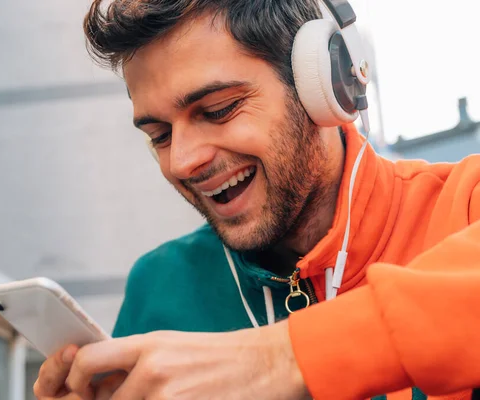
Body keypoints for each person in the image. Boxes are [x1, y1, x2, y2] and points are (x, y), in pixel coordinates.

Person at [34, 0, 480, 399]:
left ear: (321, 85)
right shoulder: (158, 286)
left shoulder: (463, 204)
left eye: (218, 110)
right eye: (160, 135)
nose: (183, 162)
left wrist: (279, 360)